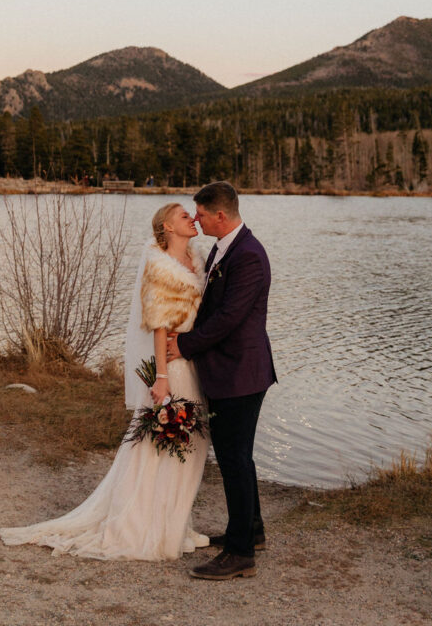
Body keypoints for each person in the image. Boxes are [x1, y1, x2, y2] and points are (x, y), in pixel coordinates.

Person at [0, 203, 210, 561]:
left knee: (189, 447)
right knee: (160, 447)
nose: (191, 218)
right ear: (167, 228)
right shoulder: (161, 268)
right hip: (171, 368)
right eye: (183, 217)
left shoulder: (198, 259)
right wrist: (160, 377)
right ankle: (145, 526)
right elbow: (159, 325)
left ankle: (177, 521)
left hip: (192, 364)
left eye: (191, 215)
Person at [167, 181, 277, 580]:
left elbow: (229, 318)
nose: (195, 220)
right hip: (231, 371)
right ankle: (252, 531)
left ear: (220, 215)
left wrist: (185, 345)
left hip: (241, 374)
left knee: (234, 460)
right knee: (238, 456)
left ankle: (240, 554)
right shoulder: (223, 247)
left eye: (200, 214)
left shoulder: (248, 256)